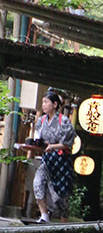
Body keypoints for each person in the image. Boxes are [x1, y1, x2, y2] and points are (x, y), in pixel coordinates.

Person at [26, 91, 76, 223]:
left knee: (61, 194)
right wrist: (31, 147)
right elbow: (38, 140)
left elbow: (68, 144)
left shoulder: (63, 121)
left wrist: (53, 147)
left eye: (46, 102)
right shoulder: (41, 120)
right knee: (38, 182)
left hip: (61, 161)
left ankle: (64, 223)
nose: (43, 105)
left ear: (55, 104)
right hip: (47, 159)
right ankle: (44, 215)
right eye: (42, 102)